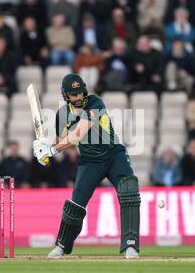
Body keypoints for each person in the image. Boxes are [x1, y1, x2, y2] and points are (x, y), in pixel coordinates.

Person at [32, 73, 141, 259]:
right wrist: (43, 151)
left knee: (129, 191)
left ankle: (130, 245)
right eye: (73, 94)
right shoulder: (62, 115)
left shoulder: (95, 102)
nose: (78, 97)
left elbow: (77, 135)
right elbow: (59, 141)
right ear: (65, 95)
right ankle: (61, 246)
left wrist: (51, 149)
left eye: (80, 92)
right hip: (90, 162)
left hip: (114, 154)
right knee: (75, 206)